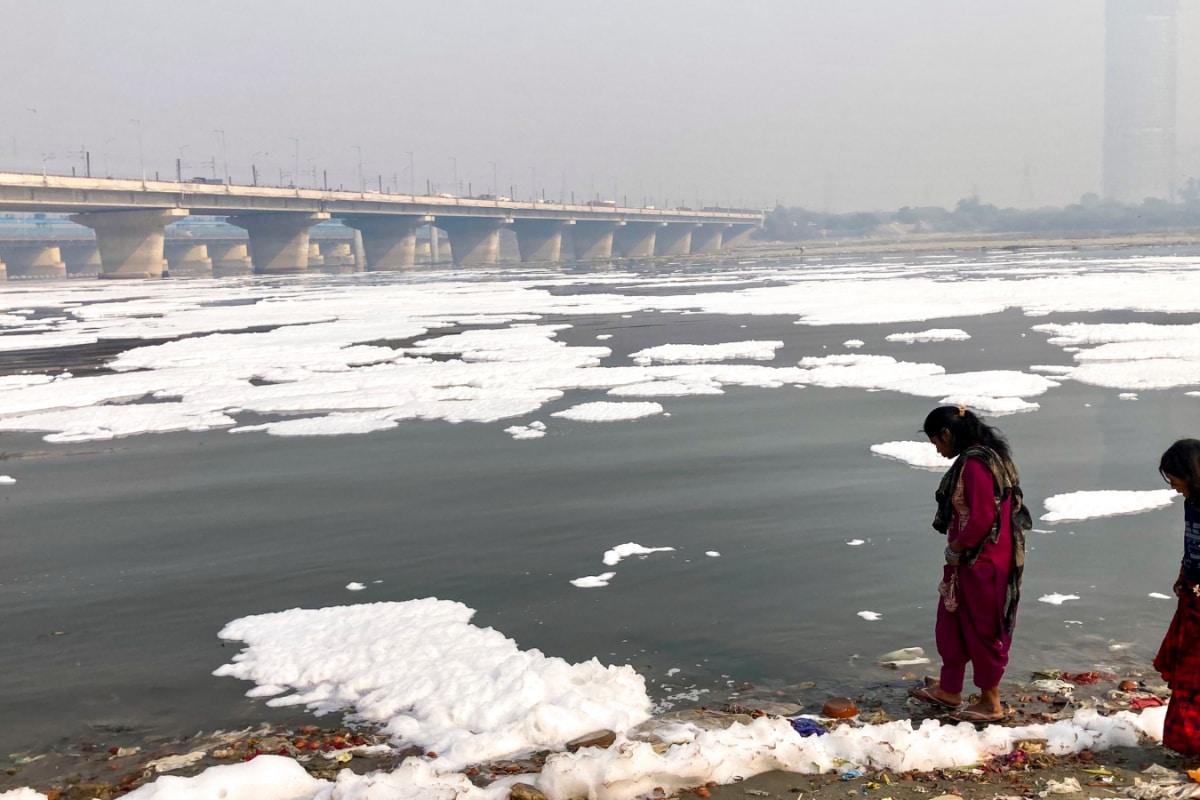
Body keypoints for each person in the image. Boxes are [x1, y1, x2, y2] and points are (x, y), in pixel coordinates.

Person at [907, 405, 1029, 723]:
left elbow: (983, 518)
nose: (937, 449)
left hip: (984, 562)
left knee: (983, 629)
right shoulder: (989, 456)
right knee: (952, 621)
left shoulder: (975, 465)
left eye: (937, 442)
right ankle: (950, 689)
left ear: (947, 434)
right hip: (971, 560)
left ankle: (991, 703)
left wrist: (957, 547)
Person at [1153, 439, 1200, 756]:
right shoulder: (1192, 501)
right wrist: (1184, 574)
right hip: (1193, 595)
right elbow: (1191, 542)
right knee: (1187, 669)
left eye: (1176, 481)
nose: (1175, 489)